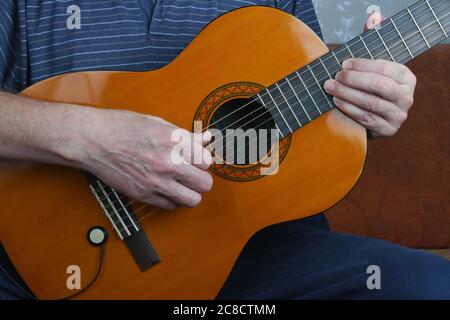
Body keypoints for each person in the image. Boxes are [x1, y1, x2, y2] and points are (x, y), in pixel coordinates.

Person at [0, 0, 448, 300]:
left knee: (427, 285)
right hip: (41, 250)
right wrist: (93, 141)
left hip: (255, 258)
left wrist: (369, 109)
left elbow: (308, 120)